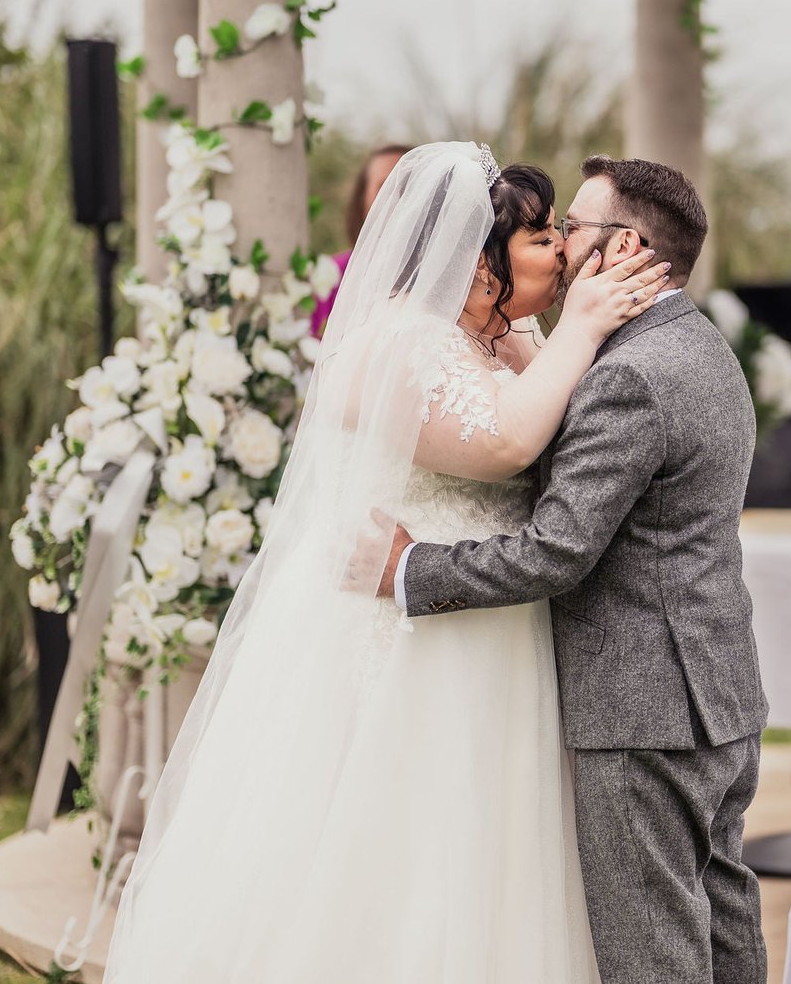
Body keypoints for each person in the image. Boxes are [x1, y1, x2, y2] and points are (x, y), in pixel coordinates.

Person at [103, 143, 670, 982]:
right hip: (406, 643)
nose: (561, 250)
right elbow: (510, 440)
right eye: (542, 236)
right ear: (480, 267)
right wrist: (584, 323)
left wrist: (579, 329)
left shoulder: (507, 341)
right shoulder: (394, 345)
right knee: (398, 857)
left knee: (495, 857)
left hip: (496, 635)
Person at [369, 155, 769, 984]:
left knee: (653, 954)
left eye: (570, 229)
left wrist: (413, 571)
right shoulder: (699, 345)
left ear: (621, 248)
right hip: (719, 696)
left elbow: (558, 549)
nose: (556, 247)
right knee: (723, 923)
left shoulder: (627, 375)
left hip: (644, 710)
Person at [309, 143, 412, 336]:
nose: (396, 195)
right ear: (363, 198)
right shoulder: (332, 274)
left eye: (408, 185)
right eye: (385, 186)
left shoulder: (445, 277)